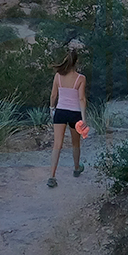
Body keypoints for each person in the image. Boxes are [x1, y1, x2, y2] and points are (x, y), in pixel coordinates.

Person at [47, 49, 87, 188]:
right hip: (75, 113)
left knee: (57, 144)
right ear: (77, 62)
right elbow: (81, 98)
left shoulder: (58, 76)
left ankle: (52, 176)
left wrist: (52, 109)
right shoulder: (80, 78)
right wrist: (83, 117)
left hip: (60, 112)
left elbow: (53, 96)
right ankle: (76, 168)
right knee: (75, 143)